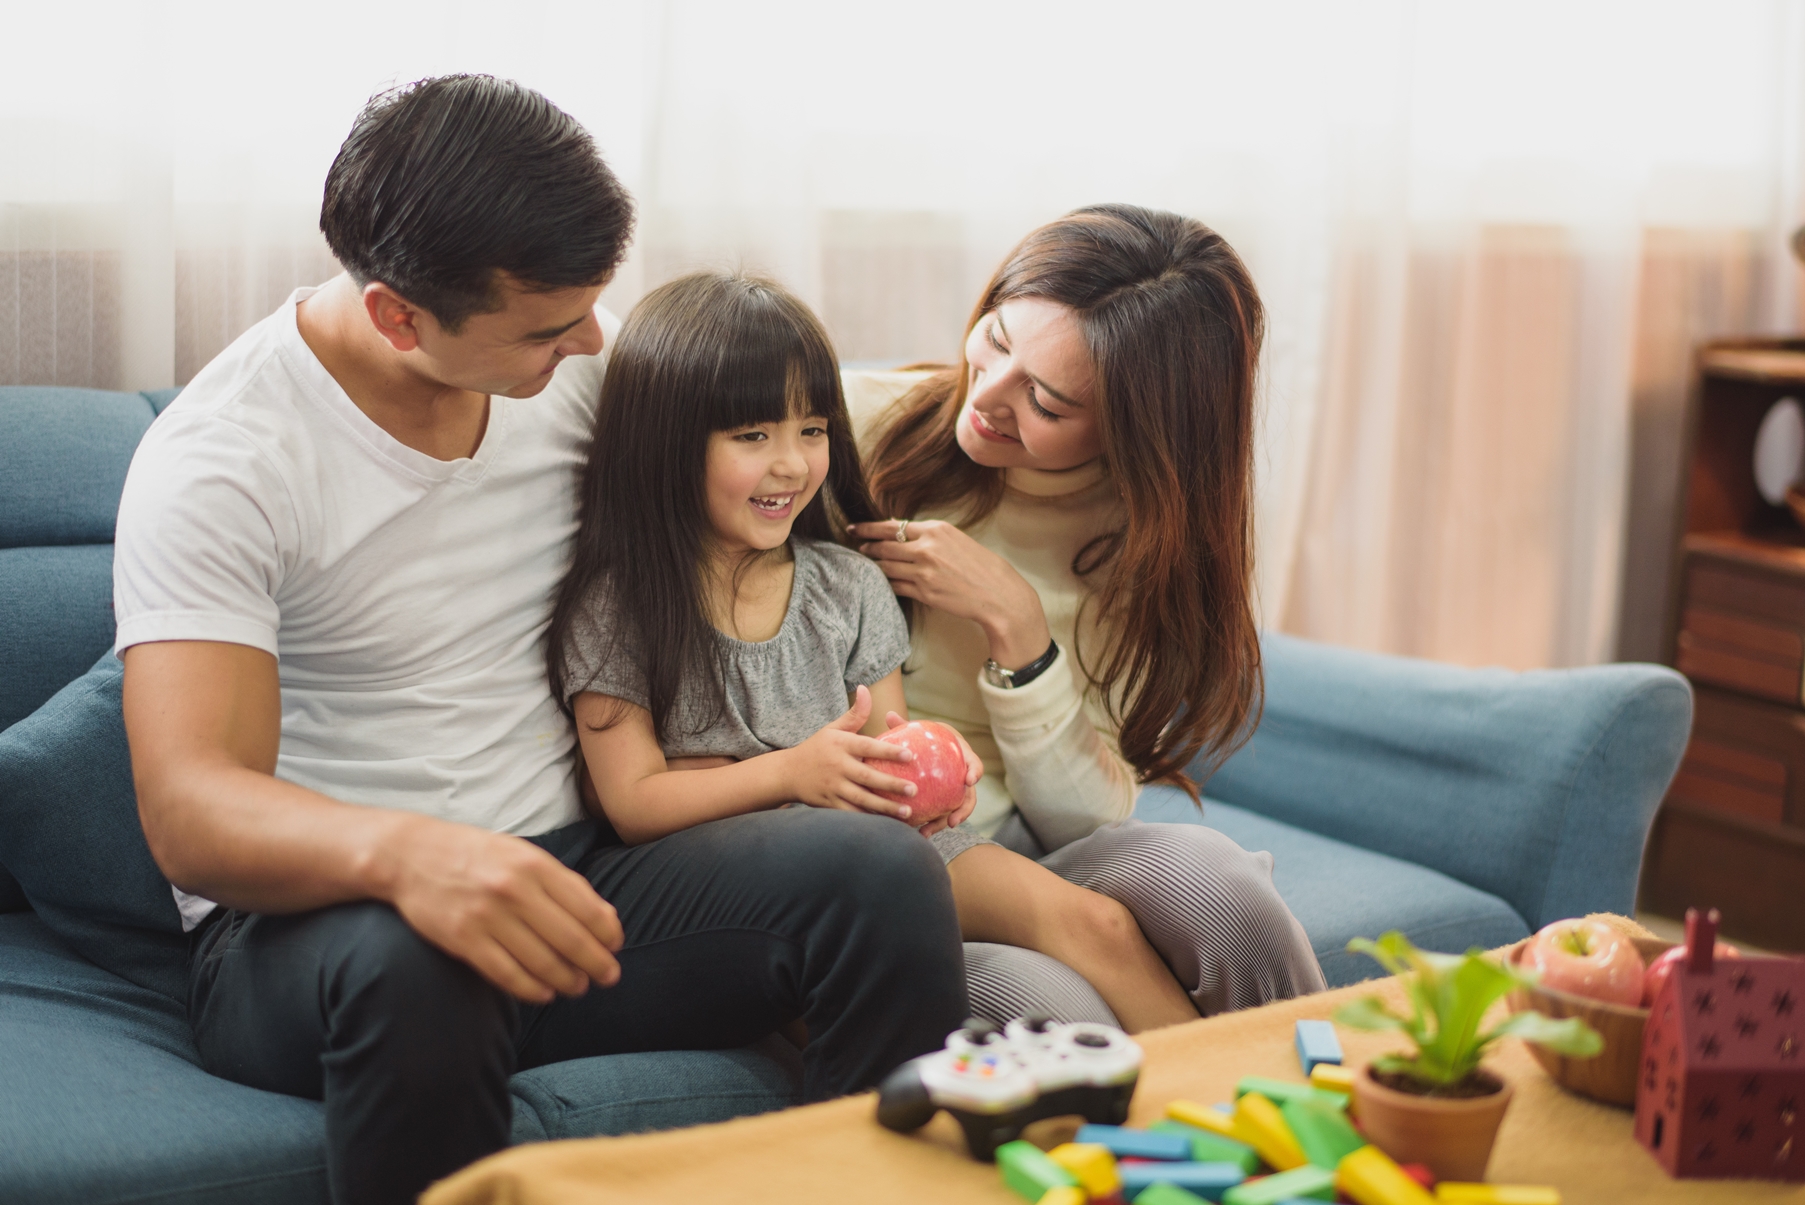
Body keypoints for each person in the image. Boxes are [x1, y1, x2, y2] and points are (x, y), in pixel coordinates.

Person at [114, 77, 966, 1205]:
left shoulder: (566, 378)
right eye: (549, 324)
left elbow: (775, 437)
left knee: (876, 874)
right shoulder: (224, 465)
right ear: (398, 317)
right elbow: (192, 811)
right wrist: (418, 857)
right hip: (319, 935)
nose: (591, 341)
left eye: (591, 305)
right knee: (422, 955)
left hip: (581, 878)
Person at [848, 203, 1327, 1031]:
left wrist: (1019, 630)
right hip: (895, 841)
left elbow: (1083, 819)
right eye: (996, 339)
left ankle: (1323, 1113)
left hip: (1040, 837)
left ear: (1134, 431)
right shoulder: (849, 428)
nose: (987, 397)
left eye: (1045, 399)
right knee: (1059, 1004)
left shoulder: (1148, 542)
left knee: (1230, 897)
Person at [547, 270, 983, 852]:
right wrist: (789, 772)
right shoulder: (621, 607)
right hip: (776, 874)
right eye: (753, 435)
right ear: (665, 443)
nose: (794, 466)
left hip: (890, 851)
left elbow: (884, 764)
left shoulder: (849, 585)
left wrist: (936, 766)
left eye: (811, 429)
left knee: (1092, 918)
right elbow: (632, 803)